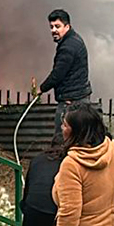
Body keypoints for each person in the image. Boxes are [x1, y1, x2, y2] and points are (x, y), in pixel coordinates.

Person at [51, 103, 114, 226]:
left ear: (77, 131)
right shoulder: (113, 147)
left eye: (65, 125)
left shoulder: (72, 164)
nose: (61, 129)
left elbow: (69, 214)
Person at [36, 9, 92, 141]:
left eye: (57, 26)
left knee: (61, 138)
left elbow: (57, 74)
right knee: (80, 138)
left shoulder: (68, 47)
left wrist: (41, 88)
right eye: (51, 27)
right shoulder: (74, 39)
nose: (54, 30)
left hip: (71, 101)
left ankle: (62, 161)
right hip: (80, 96)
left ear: (67, 26)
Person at [20, 137, 63, 226]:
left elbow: (28, 188)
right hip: (58, 211)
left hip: (34, 208)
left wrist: (25, 207)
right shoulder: (70, 163)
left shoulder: (37, 159)